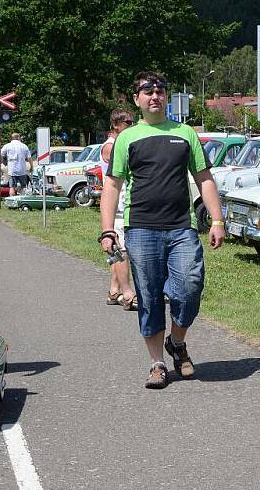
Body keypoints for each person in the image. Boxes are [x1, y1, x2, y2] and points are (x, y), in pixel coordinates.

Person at [100, 72, 225, 390]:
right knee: (150, 297)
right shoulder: (127, 138)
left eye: (160, 91)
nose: (154, 95)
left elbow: (204, 177)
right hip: (141, 229)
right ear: (137, 99)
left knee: (189, 287)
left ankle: (177, 341)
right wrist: (107, 229)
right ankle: (157, 363)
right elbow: (112, 185)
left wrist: (217, 220)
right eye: (147, 91)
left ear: (166, 97)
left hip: (182, 227)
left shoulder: (185, 134)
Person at [100, 107, 136, 310]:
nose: (132, 126)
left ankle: (114, 291)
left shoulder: (120, 142)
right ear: (115, 125)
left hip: (122, 202)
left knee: (118, 249)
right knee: (121, 251)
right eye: (128, 123)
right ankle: (127, 292)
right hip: (118, 202)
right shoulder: (111, 145)